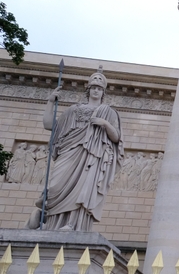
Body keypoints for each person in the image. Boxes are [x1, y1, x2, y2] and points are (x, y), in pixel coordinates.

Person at [31, 67, 124, 231]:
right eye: (93, 88)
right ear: (88, 90)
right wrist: (50, 102)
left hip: (91, 155)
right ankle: (51, 224)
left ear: (103, 93)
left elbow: (116, 137)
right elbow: (49, 125)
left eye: (99, 89)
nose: (96, 91)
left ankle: (73, 224)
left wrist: (104, 123)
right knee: (55, 186)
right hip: (69, 151)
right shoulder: (73, 110)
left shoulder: (107, 112)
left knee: (83, 188)